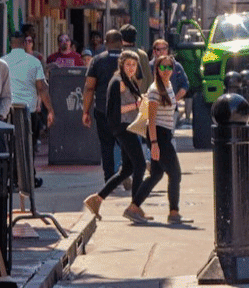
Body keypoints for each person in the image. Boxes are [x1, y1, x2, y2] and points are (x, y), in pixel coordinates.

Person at [84, 49, 150, 217]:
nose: (131, 68)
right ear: (121, 64)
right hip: (123, 127)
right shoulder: (118, 82)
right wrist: (137, 105)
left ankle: (97, 199)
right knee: (140, 165)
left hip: (128, 126)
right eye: (128, 64)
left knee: (126, 169)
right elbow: (116, 109)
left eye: (134, 65)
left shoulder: (128, 80)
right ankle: (134, 207)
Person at [129, 51, 191, 223]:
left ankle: (134, 207)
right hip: (159, 135)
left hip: (164, 134)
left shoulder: (169, 85)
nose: (166, 70)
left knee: (156, 174)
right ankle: (174, 213)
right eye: (163, 67)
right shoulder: (156, 89)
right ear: (156, 69)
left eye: (169, 67)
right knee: (175, 174)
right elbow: (152, 118)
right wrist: (154, 143)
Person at [80, 29, 126, 187]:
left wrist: (86, 111)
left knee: (106, 146)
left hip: (103, 109)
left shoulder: (97, 60)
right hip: (125, 111)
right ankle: (125, 171)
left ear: (106, 43)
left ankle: (109, 179)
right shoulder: (129, 60)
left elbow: (89, 87)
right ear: (122, 43)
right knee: (127, 144)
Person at [3, 27, 55, 141]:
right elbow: (42, 88)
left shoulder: (3, 62)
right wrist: (50, 110)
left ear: (11, 44)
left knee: (11, 143)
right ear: (23, 44)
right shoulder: (34, 62)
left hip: (8, 110)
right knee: (29, 144)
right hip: (29, 110)